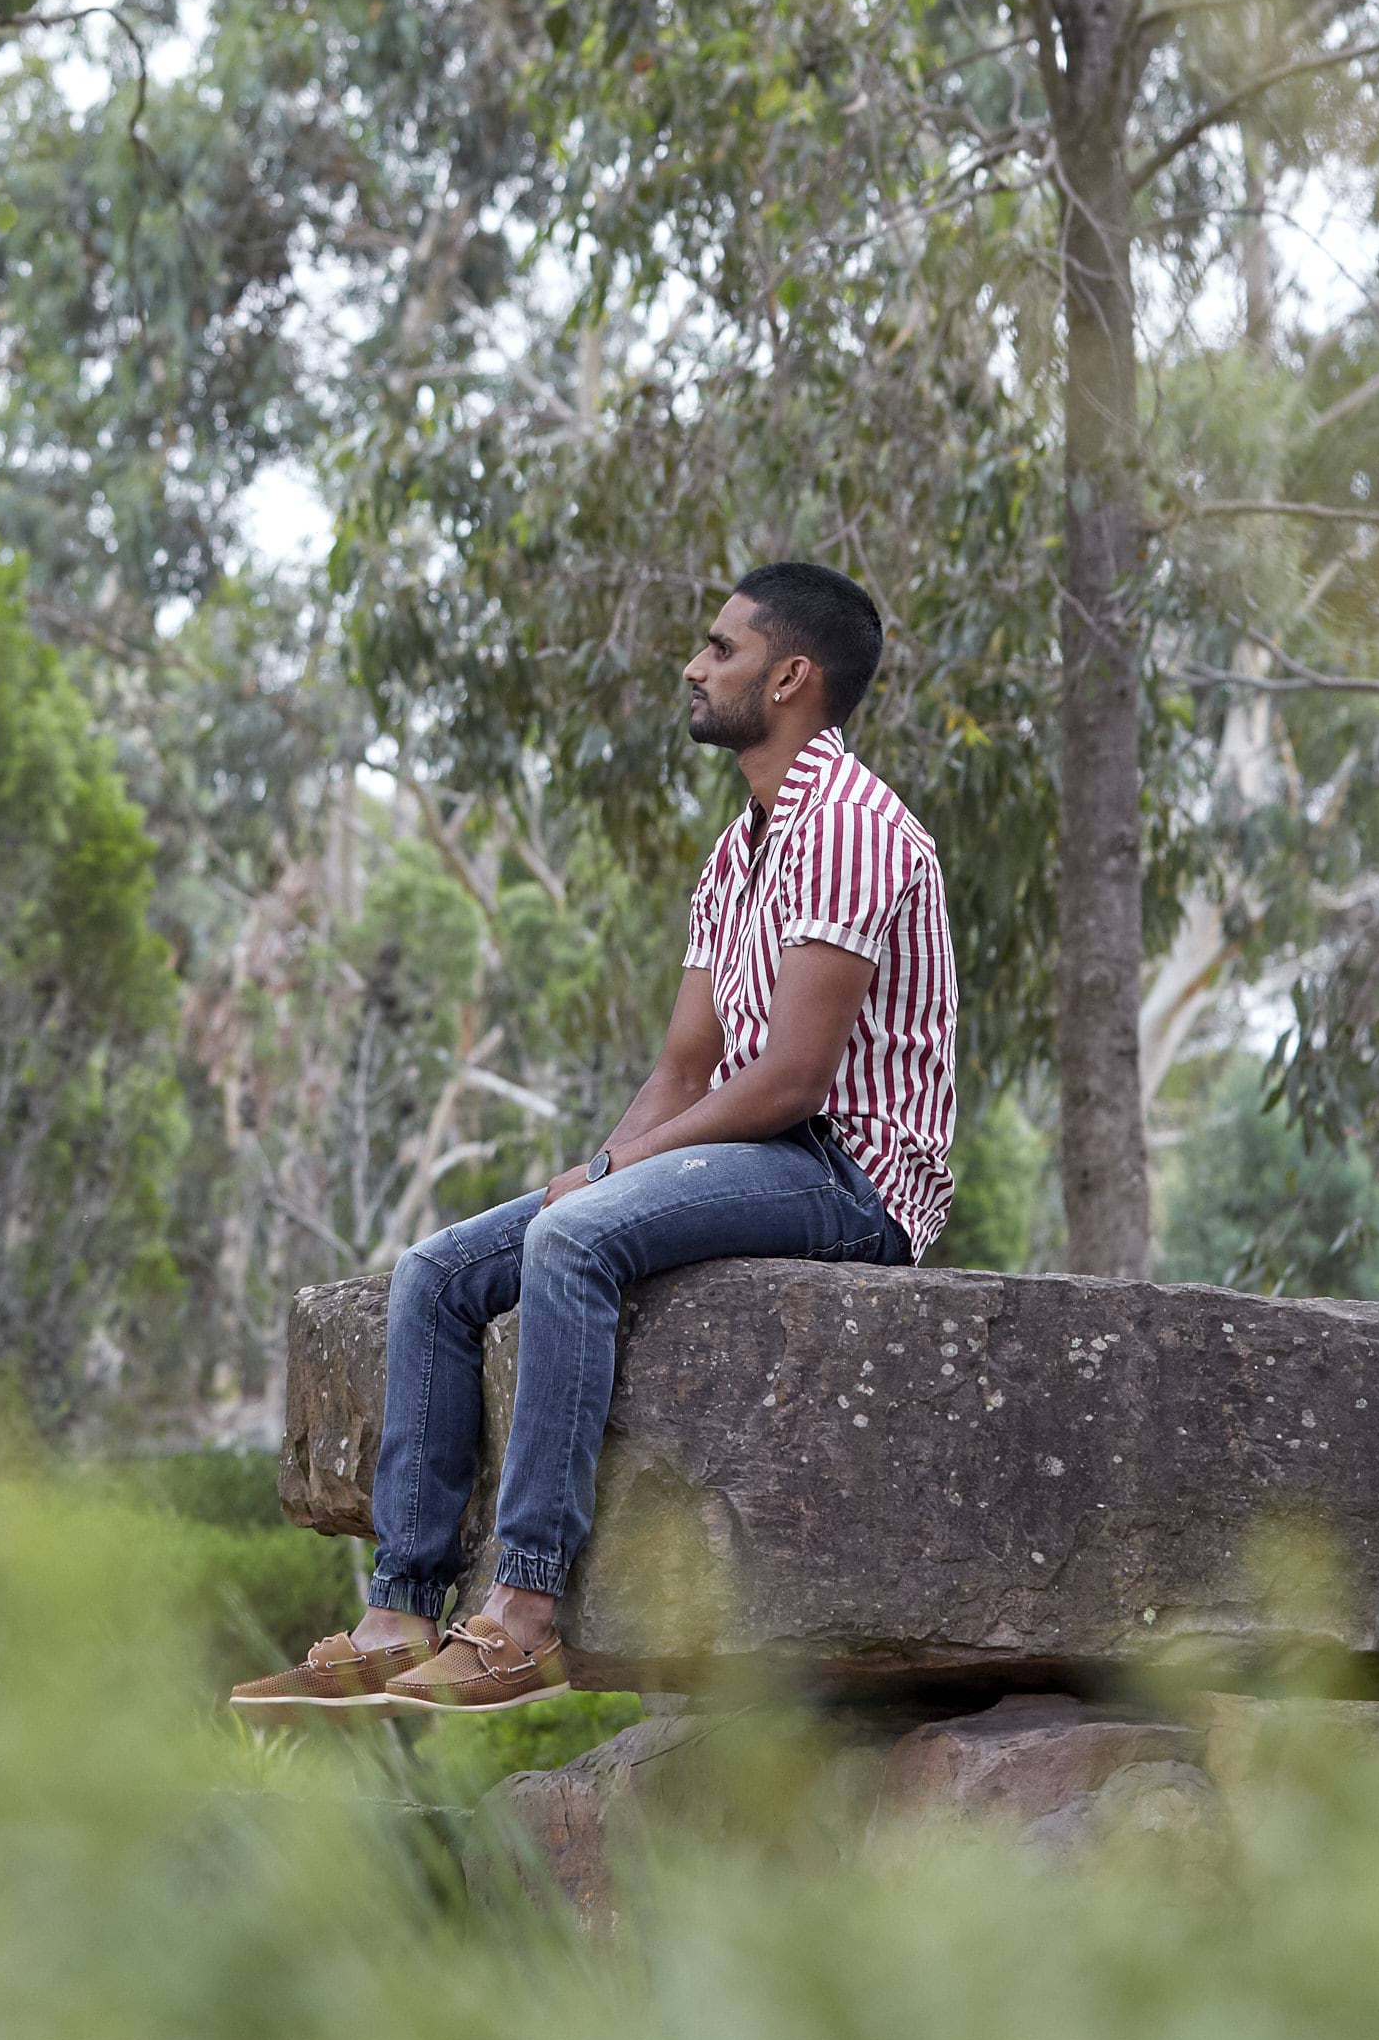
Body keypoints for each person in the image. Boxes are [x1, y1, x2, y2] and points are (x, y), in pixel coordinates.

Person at [232, 562, 959, 1716]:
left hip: (851, 1175)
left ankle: (521, 1618)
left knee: (573, 1242)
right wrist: (589, 1171)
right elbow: (682, 1067)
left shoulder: (856, 827)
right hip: (759, 1151)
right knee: (440, 1271)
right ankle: (400, 1611)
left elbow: (792, 1080)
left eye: (719, 648)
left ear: (790, 676)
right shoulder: (741, 853)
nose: (693, 664)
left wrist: (609, 1185)